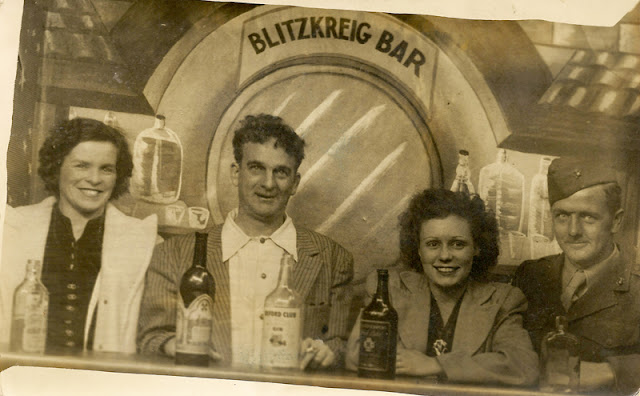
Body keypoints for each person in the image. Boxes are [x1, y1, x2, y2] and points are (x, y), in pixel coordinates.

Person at [137, 114, 354, 369]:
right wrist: (175, 344)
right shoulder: (172, 254)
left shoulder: (333, 258)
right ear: (235, 173)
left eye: (281, 172)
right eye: (256, 168)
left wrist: (327, 352)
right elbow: (150, 338)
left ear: (295, 183)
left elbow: (340, 345)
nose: (268, 183)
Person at [346, 189, 538, 386]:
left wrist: (436, 364)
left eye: (457, 244)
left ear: (477, 247)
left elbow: (523, 366)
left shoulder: (502, 300)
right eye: (433, 244)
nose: (445, 256)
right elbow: (357, 354)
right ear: (418, 249)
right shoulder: (390, 289)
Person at [0, 117, 158, 354]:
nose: (94, 179)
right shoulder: (11, 228)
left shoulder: (144, 239)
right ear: (57, 167)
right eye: (82, 165)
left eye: (106, 168)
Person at [513, 157, 640, 394]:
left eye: (587, 217)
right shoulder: (531, 275)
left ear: (616, 221)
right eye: (562, 216)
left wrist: (610, 372)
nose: (573, 231)